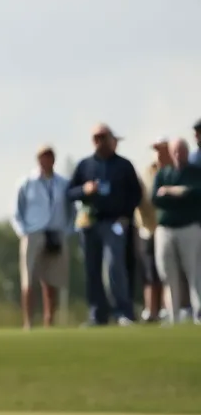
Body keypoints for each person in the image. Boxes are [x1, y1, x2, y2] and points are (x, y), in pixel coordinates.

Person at [68, 123, 142, 326]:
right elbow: (70, 192)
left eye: (104, 137)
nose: (100, 141)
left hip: (114, 223)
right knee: (92, 270)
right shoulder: (85, 165)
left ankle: (123, 312)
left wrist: (125, 215)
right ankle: (97, 314)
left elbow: (135, 194)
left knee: (114, 267)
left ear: (111, 139)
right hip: (90, 224)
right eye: (96, 138)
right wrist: (85, 189)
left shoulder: (124, 165)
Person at [11, 144, 74, 328]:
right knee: (29, 278)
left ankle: (49, 320)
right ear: (38, 159)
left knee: (51, 280)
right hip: (33, 233)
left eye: (50, 156)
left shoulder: (63, 183)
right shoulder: (27, 182)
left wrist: (68, 230)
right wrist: (23, 231)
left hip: (56, 232)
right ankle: (28, 321)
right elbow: (16, 210)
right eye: (43, 157)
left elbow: (72, 210)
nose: (46, 160)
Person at [151, 138, 201, 323]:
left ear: (187, 152)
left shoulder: (195, 173)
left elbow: (196, 195)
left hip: (190, 227)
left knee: (195, 273)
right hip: (166, 229)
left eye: (182, 151)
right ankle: (173, 316)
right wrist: (181, 193)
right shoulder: (164, 174)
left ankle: (199, 314)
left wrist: (173, 192)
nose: (179, 155)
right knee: (167, 273)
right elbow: (155, 198)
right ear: (172, 154)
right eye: (176, 151)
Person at [136, 138, 173, 322]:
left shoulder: (175, 170)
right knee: (150, 273)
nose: (159, 153)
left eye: (162, 149)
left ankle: (169, 310)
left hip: (169, 229)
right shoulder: (146, 172)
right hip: (148, 229)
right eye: (156, 150)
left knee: (168, 272)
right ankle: (151, 311)